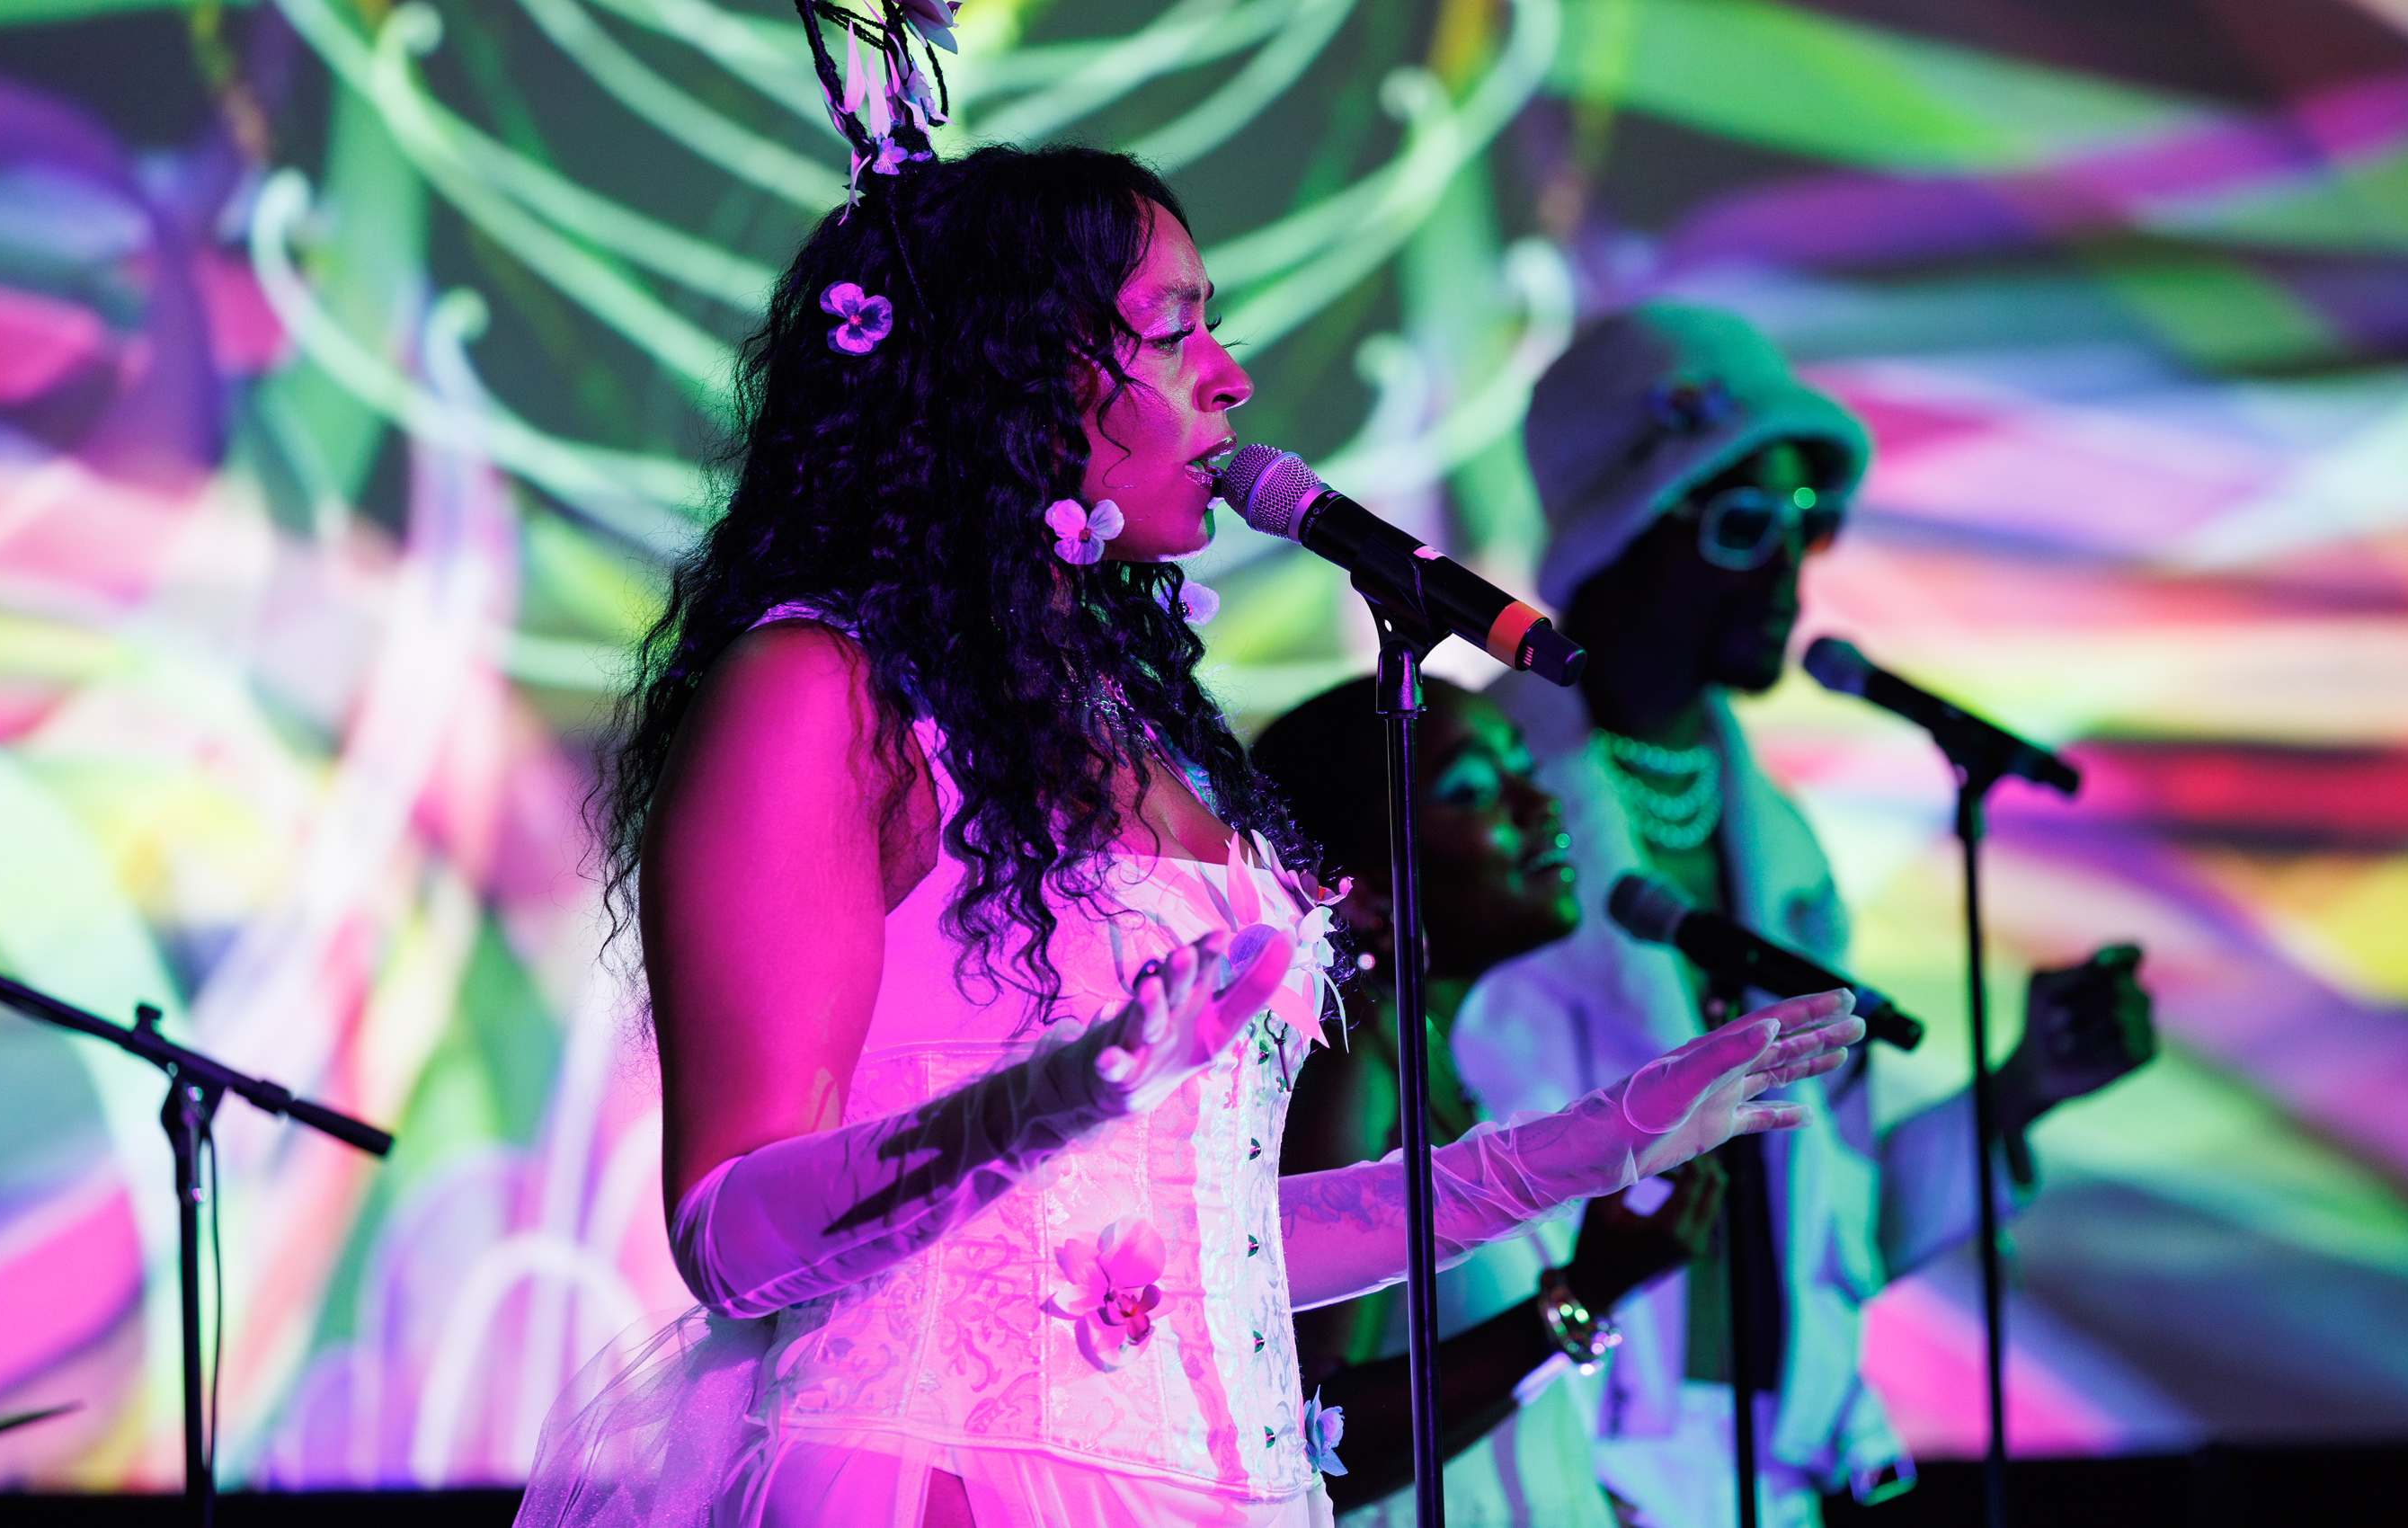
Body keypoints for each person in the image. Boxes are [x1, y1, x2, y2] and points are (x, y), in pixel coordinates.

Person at [514, 14, 1868, 1525]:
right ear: (1011, 385)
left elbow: (1219, 1246)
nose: (1228, 380)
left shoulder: (1141, 731)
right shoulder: (820, 691)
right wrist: (1039, 1103)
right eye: (1172, 332)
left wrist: (1598, 1141)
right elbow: (730, 1238)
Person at [1453, 304, 2156, 1528]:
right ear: (1620, 540)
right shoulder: (1479, 813)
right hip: (1547, 1467)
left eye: (1806, 527)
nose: (1789, 571)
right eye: (1741, 527)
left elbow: (1841, 1227)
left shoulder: (1778, 849)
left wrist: (2023, 1090)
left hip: (1774, 1477)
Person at [1254, 676, 1725, 1528]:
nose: (1539, 802)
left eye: (1521, 769)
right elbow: (1306, 1435)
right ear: (1355, 884)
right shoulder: (1350, 1060)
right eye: (1471, 790)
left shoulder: (1427, 1056)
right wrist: (1579, 1297)